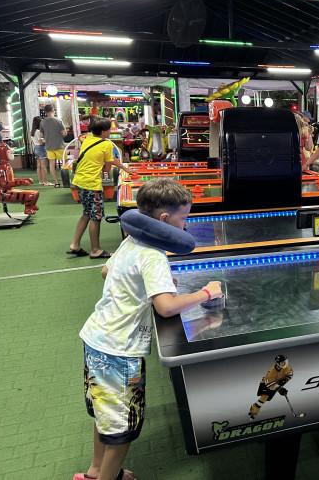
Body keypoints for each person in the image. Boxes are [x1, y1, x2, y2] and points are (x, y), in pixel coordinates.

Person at [78, 177, 223, 480]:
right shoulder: (153, 255)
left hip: (96, 338)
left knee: (106, 415)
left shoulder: (131, 240)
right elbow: (166, 307)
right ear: (165, 219)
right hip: (120, 350)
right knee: (122, 428)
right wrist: (206, 293)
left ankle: (96, 471)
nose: (186, 224)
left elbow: (106, 272)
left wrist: (147, 286)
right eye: (184, 218)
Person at [68, 117, 136, 259]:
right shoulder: (106, 145)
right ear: (104, 132)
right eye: (110, 129)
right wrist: (113, 166)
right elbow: (107, 168)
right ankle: (95, 250)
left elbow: (109, 160)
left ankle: (75, 244)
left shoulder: (88, 140)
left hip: (79, 181)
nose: (111, 131)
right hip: (91, 184)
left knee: (86, 213)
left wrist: (125, 168)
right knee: (96, 217)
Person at [248, 355, 293, 421]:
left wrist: (285, 380)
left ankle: (253, 407)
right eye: (283, 363)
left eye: (286, 362)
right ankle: (254, 410)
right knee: (263, 398)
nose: (285, 364)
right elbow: (269, 384)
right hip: (266, 384)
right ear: (278, 363)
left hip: (276, 384)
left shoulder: (287, 368)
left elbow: (290, 375)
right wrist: (279, 388)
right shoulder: (272, 371)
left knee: (268, 398)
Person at [39, 103, 67, 187]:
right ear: (53, 110)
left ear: (45, 112)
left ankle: (56, 182)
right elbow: (64, 133)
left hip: (49, 146)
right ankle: (67, 181)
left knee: (52, 165)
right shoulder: (58, 120)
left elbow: (41, 135)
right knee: (65, 163)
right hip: (60, 145)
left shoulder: (42, 122)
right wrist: (59, 136)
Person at [30, 116, 50, 186]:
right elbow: (41, 142)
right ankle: (45, 181)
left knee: (38, 166)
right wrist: (47, 140)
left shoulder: (32, 132)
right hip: (41, 148)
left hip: (36, 148)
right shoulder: (38, 132)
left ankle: (40, 181)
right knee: (44, 166)